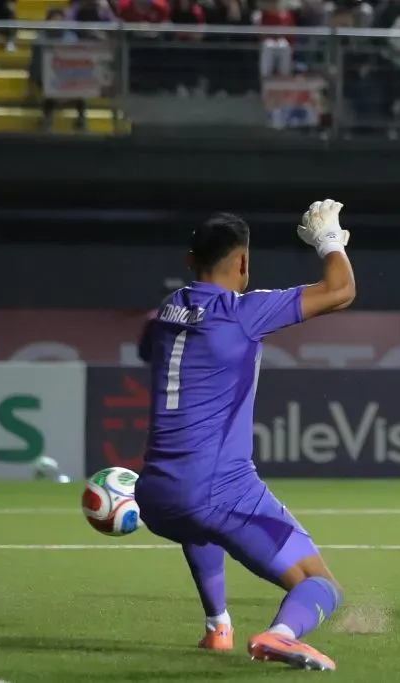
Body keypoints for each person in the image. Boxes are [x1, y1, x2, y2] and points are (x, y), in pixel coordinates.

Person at [135, 201, 355, 670]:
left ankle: (218, 626)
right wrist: (328, 239)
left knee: (200, 525)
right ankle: (281, 635)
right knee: (321, 584)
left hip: (154, 493)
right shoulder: (240, 313)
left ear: (190, 263)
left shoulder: (168, 310)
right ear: (242, 263)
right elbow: (340, 291)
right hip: (219, 487)